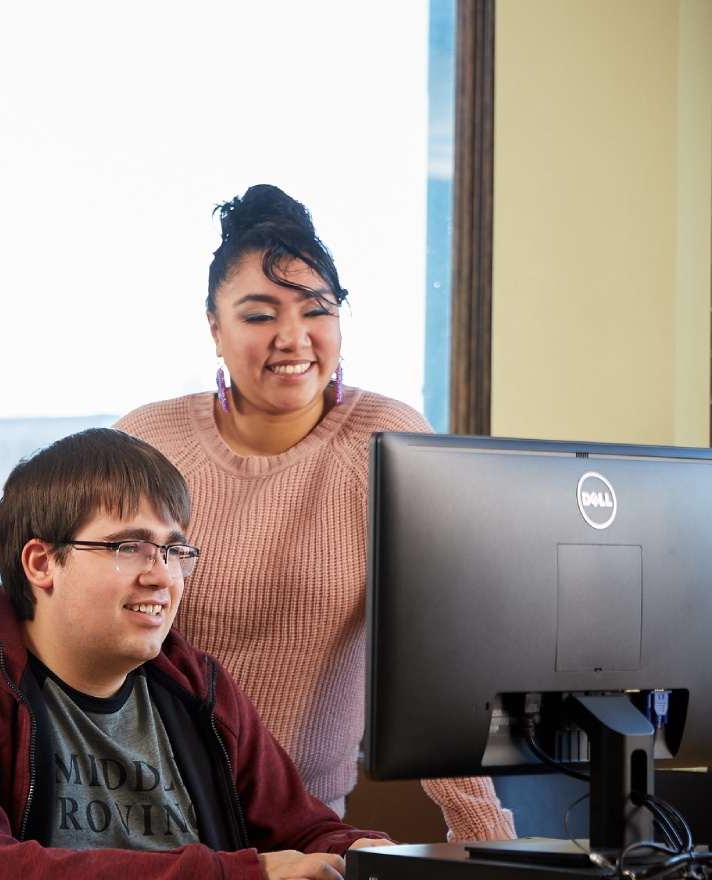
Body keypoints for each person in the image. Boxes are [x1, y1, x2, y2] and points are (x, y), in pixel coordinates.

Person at [115, 184, 515, 842]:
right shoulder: (147, 443)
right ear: (214, 327)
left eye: (316, 309)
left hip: (301, 831)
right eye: (258, 314)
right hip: (131, 820)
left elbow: (437, 660)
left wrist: (492, 848)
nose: (292, 337)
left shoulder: (387, 441)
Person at [0, 428, 394, 880]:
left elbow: (304, 831)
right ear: (40, 563)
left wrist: (375, 859)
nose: (162, 576)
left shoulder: (195, 684)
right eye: (130, 547)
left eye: (173, 550)